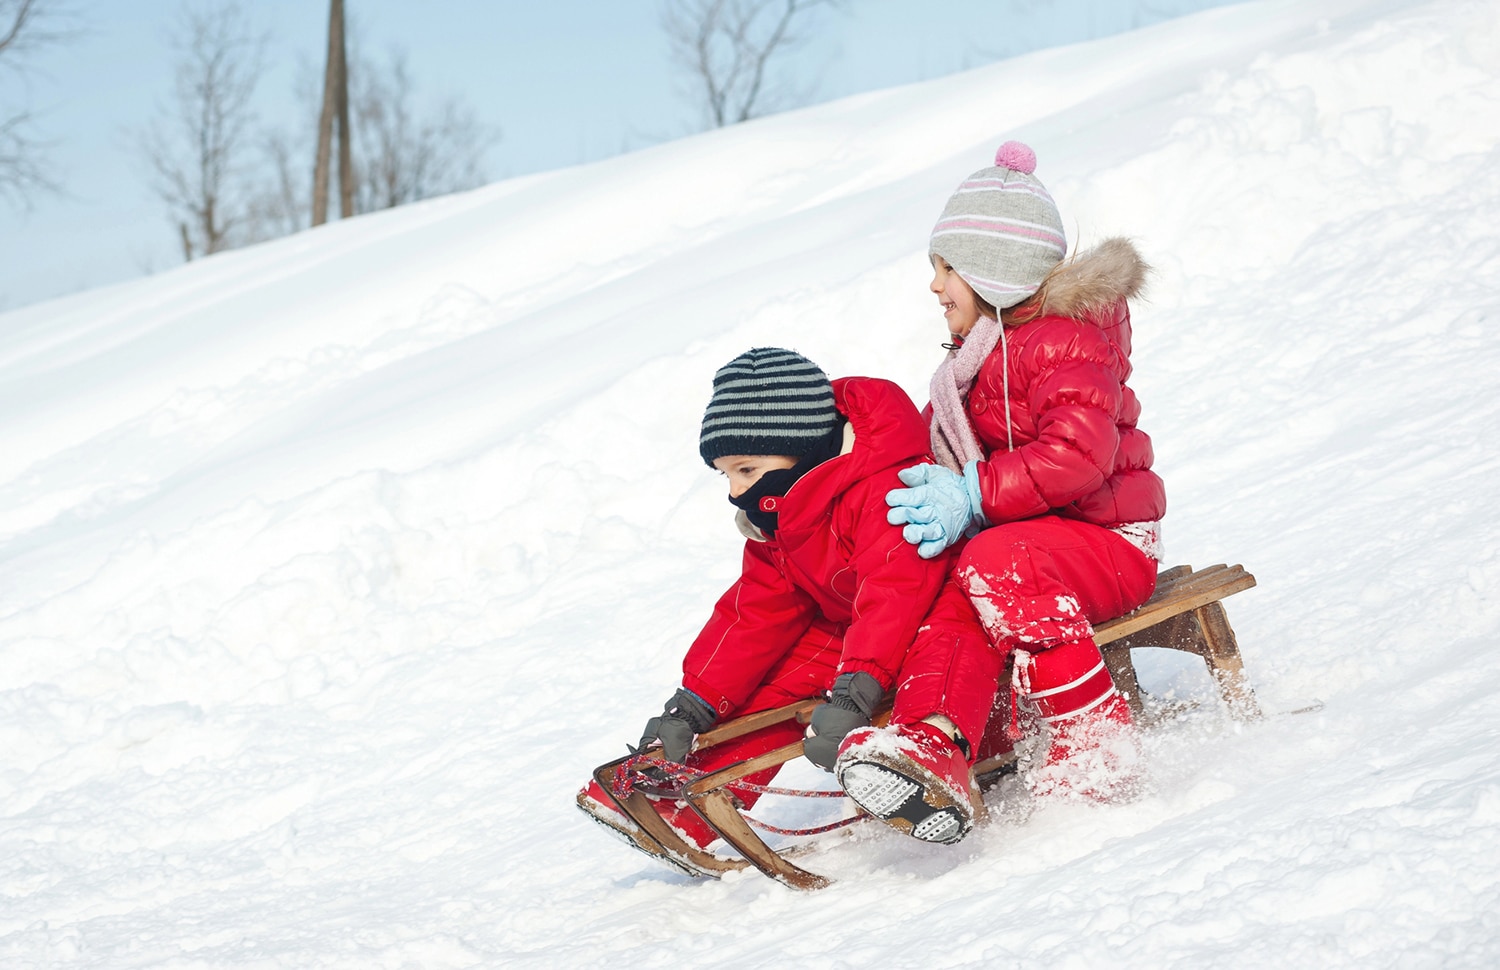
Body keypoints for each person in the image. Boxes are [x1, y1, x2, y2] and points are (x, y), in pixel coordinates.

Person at [833, 141, 1166, 830]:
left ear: (994, 271)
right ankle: (939, 744)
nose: (935, 286)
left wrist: (974, 495)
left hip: (1109, 543)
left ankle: (1095, 751)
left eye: (947, 268)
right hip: (1039, 543)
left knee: (993, 558)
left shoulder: (1063, 341)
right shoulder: (976, 361)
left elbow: (1079, 457)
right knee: (954, 577)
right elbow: (918, 446)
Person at [577, 347, 993, 863]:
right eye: (724, 474)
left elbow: (895, 593)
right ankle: (687, 804)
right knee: (779, 682)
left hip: (930, 612)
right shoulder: (782, 518)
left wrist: (854, 692)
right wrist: (696, 701)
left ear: (799, 448)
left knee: (943, 650)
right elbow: (754, 612)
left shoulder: (884, 487)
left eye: (746, 468)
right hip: (853, 629)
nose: (735, 491)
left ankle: (927, 763)